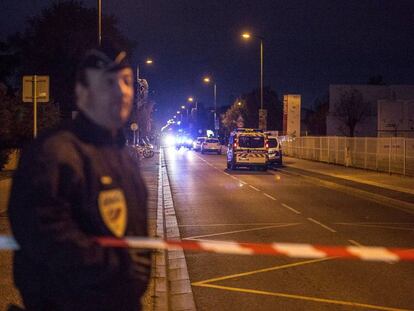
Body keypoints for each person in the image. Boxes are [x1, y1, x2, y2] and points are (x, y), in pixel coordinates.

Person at [8, 43, 151, 311]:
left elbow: (135, 231)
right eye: (108, 83)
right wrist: (118, 268)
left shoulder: (124, 156)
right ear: (82, 92)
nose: (121, 91)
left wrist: (136, 274)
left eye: (126, 81)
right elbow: (45, 235)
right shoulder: (53, 153)